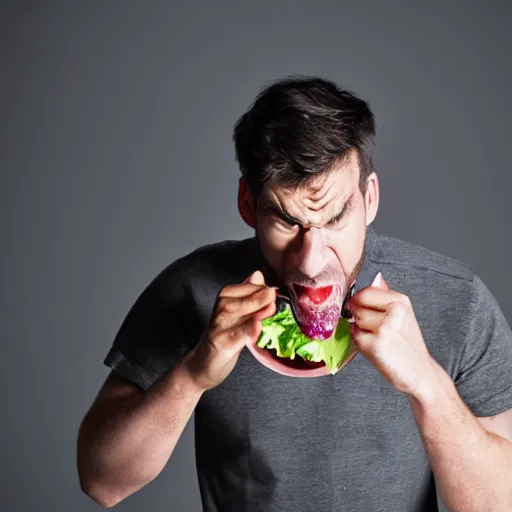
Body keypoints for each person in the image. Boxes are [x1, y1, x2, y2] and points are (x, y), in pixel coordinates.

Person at [77, 77, 512, 512]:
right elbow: (102, 481)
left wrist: (427, 383)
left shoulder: (459, 300)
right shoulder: (193, 290)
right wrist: (191, 375)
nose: (309, 260)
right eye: (287, 222)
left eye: (336, 219)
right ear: (249, 204)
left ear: (370, 198)